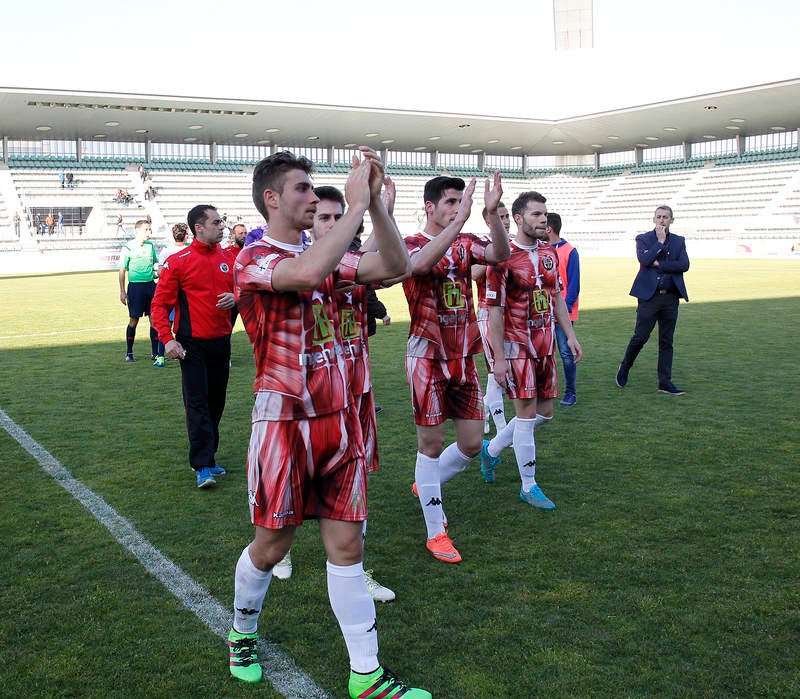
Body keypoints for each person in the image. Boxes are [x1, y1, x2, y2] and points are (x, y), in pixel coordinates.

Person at [229, 148, 429, 698]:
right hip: (286, 425)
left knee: (348, 548)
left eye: (315, 189)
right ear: (271, 198)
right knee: (271, 547)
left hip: (343, 423)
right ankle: (242, 632)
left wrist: (379, 209)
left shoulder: (328, 252)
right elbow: (308, 272)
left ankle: (366, 674)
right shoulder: (253, 258)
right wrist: (355, 210)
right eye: (301, 189)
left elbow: (395, 267)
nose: (313, 197)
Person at [270, 185, 396, 604]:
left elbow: (387, 263)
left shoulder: (349, 265)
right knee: (289, 502)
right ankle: (281, 550)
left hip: (356, 393)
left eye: (339, 218)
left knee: (355, 494)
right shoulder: (294, 267)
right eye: (323, 218)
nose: (332, 224)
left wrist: (381, 208)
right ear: (309, 224)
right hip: (304, 403)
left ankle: (357, 571)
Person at [402, 172, 510, 564]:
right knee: (430, 446)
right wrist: (460, 223)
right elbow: (416, 267)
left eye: (458, 202)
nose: (455, 209)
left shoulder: (466, 243)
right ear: (430, 206)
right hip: (426, 356)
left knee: (469, 444)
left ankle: (425, 485)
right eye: (450, 202)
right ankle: (436, 532)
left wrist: (491, 213)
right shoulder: (411, 243)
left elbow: (500, 254)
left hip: (463, 356)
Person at [480, 191, 583, 509]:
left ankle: (492, 450)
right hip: (517, 347)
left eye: (545, 214)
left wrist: (570, 334)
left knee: (545, 414)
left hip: (545, 346)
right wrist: (498, 356)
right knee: (525, 417)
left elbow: (556, 299)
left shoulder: (549, 253)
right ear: (520, 218)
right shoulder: (502, 258)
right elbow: (493, 310)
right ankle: (529, 486)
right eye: (537, 214)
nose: (544, 219)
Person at [151, 206, 236, 488]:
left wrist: (235, 297)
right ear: (198, 228)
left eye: (221, 221)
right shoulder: (178, 261)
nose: (222, 226)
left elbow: (245, 290)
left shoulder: (228, 258)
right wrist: (167, 339)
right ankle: (201, 465)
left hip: (222, 341)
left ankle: (209, 457)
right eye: (216, 222)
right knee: (197, 403)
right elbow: (159, 305)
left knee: (216, 402)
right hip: (191, 345)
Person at [615, 205, 689, 395]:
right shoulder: (643, 238)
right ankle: (624, 367)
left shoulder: (679, 241)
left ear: (672, 220)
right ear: (653, 219)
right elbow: (645, 260)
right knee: (640, 337)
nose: (662, 220)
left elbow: (684, 265)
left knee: (666, 341)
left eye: (665, 217)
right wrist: (661, 242)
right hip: (649, 297)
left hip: (671, 298)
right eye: (659, 217)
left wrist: (659, 264)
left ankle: (665, 382)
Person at [473, 201, 512, 434]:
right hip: (488, 312)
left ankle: (483, 413)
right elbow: (472, 273)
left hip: (509, 314)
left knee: (500, 368)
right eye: (501, 217)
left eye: (507, 216)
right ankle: (502, 428)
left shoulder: (515, 243)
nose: (505, 221)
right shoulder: (483, 245)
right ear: (489, 222)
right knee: (496, 369)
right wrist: (495, 253)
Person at [546, 212, 580, 406]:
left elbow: (574, 285)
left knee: (566, 354)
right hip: (542, 312)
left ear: (549, 228)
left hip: (562, 313)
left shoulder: (569, 251)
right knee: (545, 353)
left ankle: (570, 393)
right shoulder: (540, 249)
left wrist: (564, 309)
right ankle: (548, 389)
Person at [118, 219, 159, 362]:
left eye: (149, 229)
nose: (149, 232)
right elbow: (122, 270)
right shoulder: (128, 248)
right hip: (135, 288)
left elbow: (155, 262)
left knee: (154, 319)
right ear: (138, 231)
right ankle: (129, 353)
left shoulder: (150, 246)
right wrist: (122, 291)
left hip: (150, 286)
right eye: (146, 229)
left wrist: (157, 271)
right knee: (134, 320)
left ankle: (155, 353)